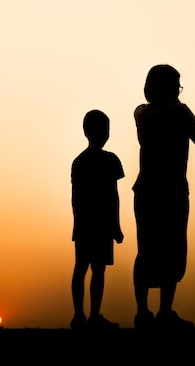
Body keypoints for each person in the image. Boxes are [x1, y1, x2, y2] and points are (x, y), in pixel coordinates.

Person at [133, 64, 195, 330]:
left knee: (147, 248)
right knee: (172, 248)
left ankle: (142, 312)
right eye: (177, 85)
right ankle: (164, 310)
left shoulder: (141, 113)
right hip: (171, 189)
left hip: (146, 189)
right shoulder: (179, 111)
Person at [70, 109, 125, 330]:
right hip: (98, 222)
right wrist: (116, 225)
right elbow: (113, 196)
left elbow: (77, 198)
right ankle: (87, 316)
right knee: (92, 269)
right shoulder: (109, 160)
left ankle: (85, 316)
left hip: (87, 222)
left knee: (85, 268)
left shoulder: (79, 161)